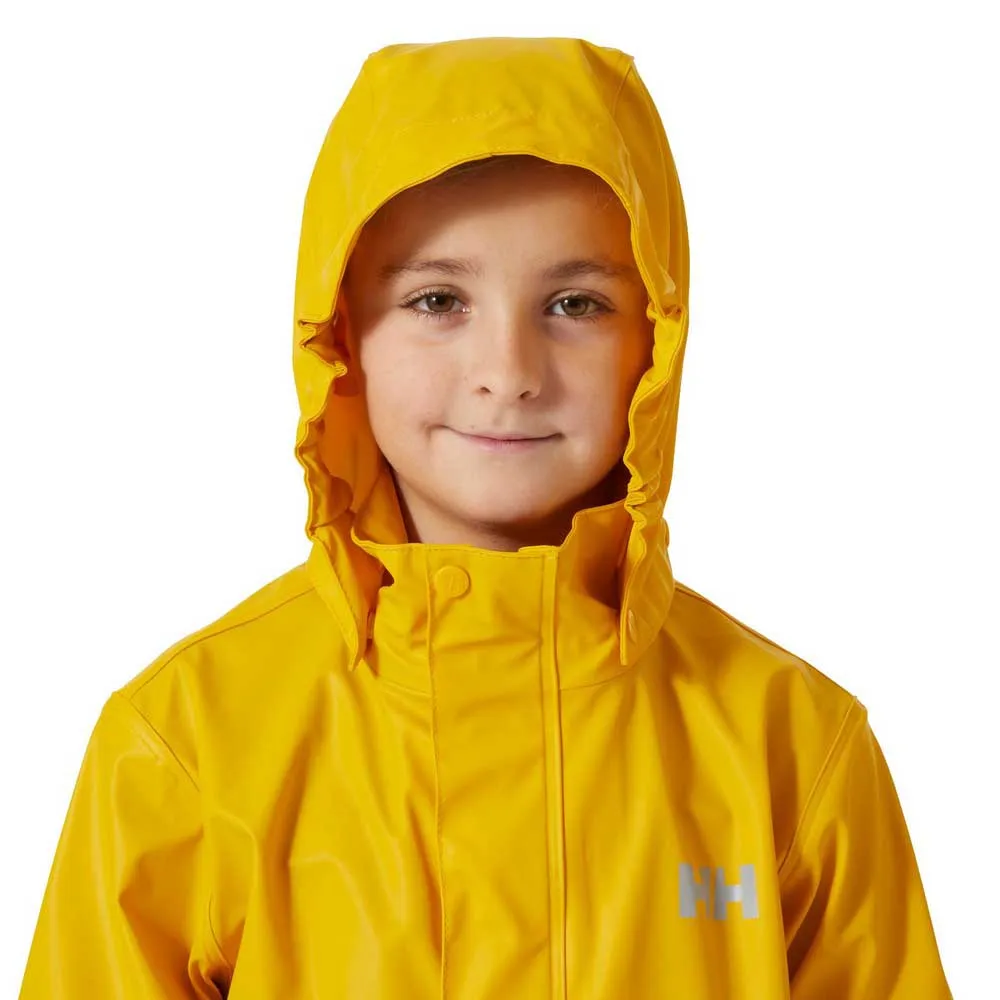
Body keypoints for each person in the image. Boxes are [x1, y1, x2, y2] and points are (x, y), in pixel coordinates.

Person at [19, 36, 952, 999]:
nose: (508, 372)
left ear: (657, 338)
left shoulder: (790, 748)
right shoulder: (188, 746)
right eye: (438, 299)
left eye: (576, 303)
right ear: (339, 335)